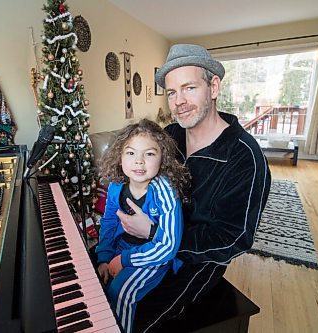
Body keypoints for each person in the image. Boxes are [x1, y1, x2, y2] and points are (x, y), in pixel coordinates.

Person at [117, 44, 272, 332]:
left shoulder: (244, 158)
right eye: (172, 92)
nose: (179, 101)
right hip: (145, 239)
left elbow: (233, 238)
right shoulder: (169, 137)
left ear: (213, 87)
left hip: (194, 262)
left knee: (132, 318)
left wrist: (156, 233)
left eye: (189, 88)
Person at [95, 118, 190, 333]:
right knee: (95, 281)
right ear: (119, 157)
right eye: (131, 153)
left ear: (162, 158)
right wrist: (104, 257)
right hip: (122, 248)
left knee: (121, 294)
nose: (139, 161)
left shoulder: (165, 191)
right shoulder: (116, 186)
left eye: (149, 154)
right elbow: (109, 223)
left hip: (153, 257)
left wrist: (123, 260)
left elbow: (167, 247)